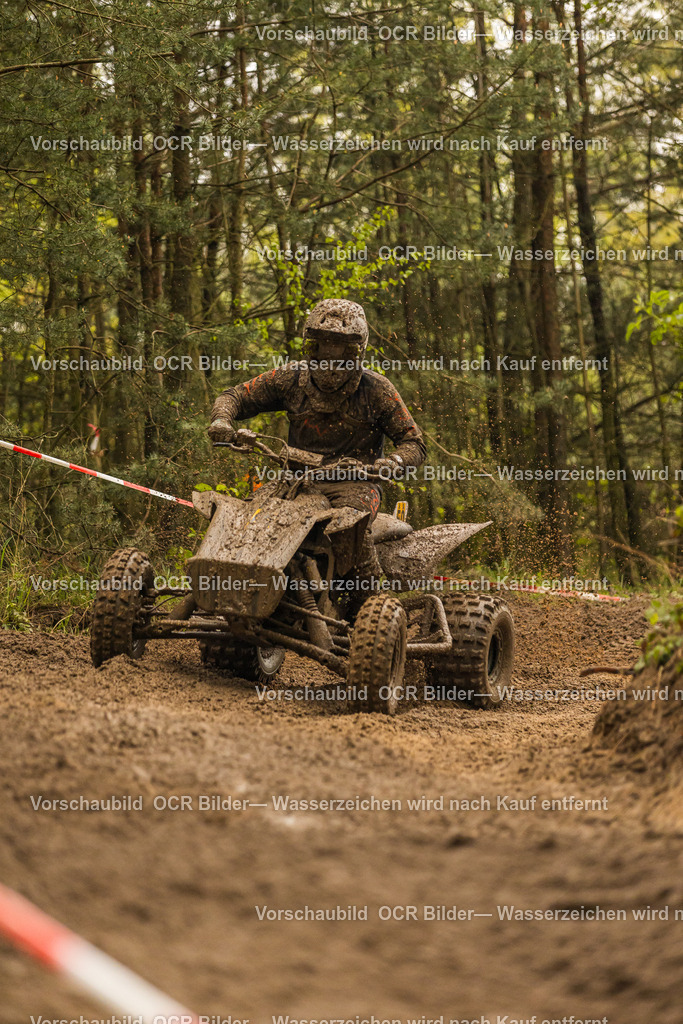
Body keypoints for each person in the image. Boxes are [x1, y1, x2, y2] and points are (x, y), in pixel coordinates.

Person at [208, 298, 426, 614]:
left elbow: (413, 442)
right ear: (311, 345)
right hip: (295, 479)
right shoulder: (290, 378)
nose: (330, 356)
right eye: (323, 346)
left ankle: (370, 606)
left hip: (356, 483)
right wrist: (222, 420)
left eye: (341, 348)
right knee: (248, 519)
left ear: (357, 350)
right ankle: (231, 591)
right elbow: (235, 396)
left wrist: (392, 463)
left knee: (349, 526)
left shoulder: (376, 389)